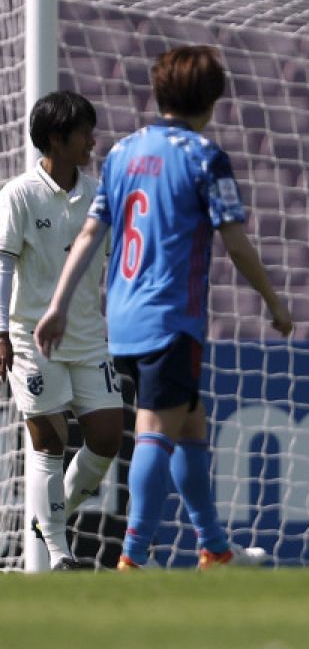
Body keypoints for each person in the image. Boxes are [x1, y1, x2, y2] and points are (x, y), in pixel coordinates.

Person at [35, 45, 293, 570]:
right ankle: (131, 557)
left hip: (124, 317)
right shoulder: (203, 156)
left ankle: (216, 548)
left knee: (192, 424)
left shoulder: (125, 152)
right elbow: (237, 244)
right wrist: (273, 299)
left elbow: (91, 231)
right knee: (156, 428)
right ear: (213, 98)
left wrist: (58, 303)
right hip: (171, 317)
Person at [0, 91, 123, 570]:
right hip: (32, 338)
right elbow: (4, 267)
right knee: (48, 441)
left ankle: (51, 516)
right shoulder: (19, 195)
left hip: (88, 336)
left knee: (107, 437)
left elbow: (114, 261)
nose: (93, 140)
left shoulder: (97, 193)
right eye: (84, 132)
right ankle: (58, 553)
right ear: (56, 139)